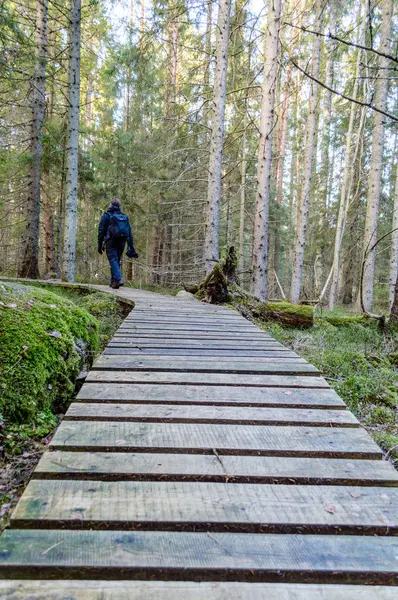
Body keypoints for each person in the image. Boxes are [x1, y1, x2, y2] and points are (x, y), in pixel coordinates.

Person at [98, 198, 138, 288]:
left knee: (113, 260)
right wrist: (131, 246)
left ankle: (119, 279)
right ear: (119, 206)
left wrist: (99, 245)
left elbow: (101, 231)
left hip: (110, 241)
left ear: (111, 204)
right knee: (116, 261)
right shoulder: (124, 217)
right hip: (122, 242)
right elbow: (129, 233)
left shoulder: (106, 216)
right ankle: (114, 282)